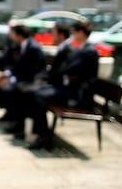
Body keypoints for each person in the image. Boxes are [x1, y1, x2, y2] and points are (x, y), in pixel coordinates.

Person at [21, 20, 99, 150]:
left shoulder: (89, 51)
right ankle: (41, 134)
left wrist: (64, 71)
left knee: (38, 96)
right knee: (34, 93)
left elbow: (72, 69)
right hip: (69, 89)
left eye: (75, 32)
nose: (72, 34)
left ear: (81, 33)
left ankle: (43, 136)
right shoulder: (81, 48)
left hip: (77, 95)